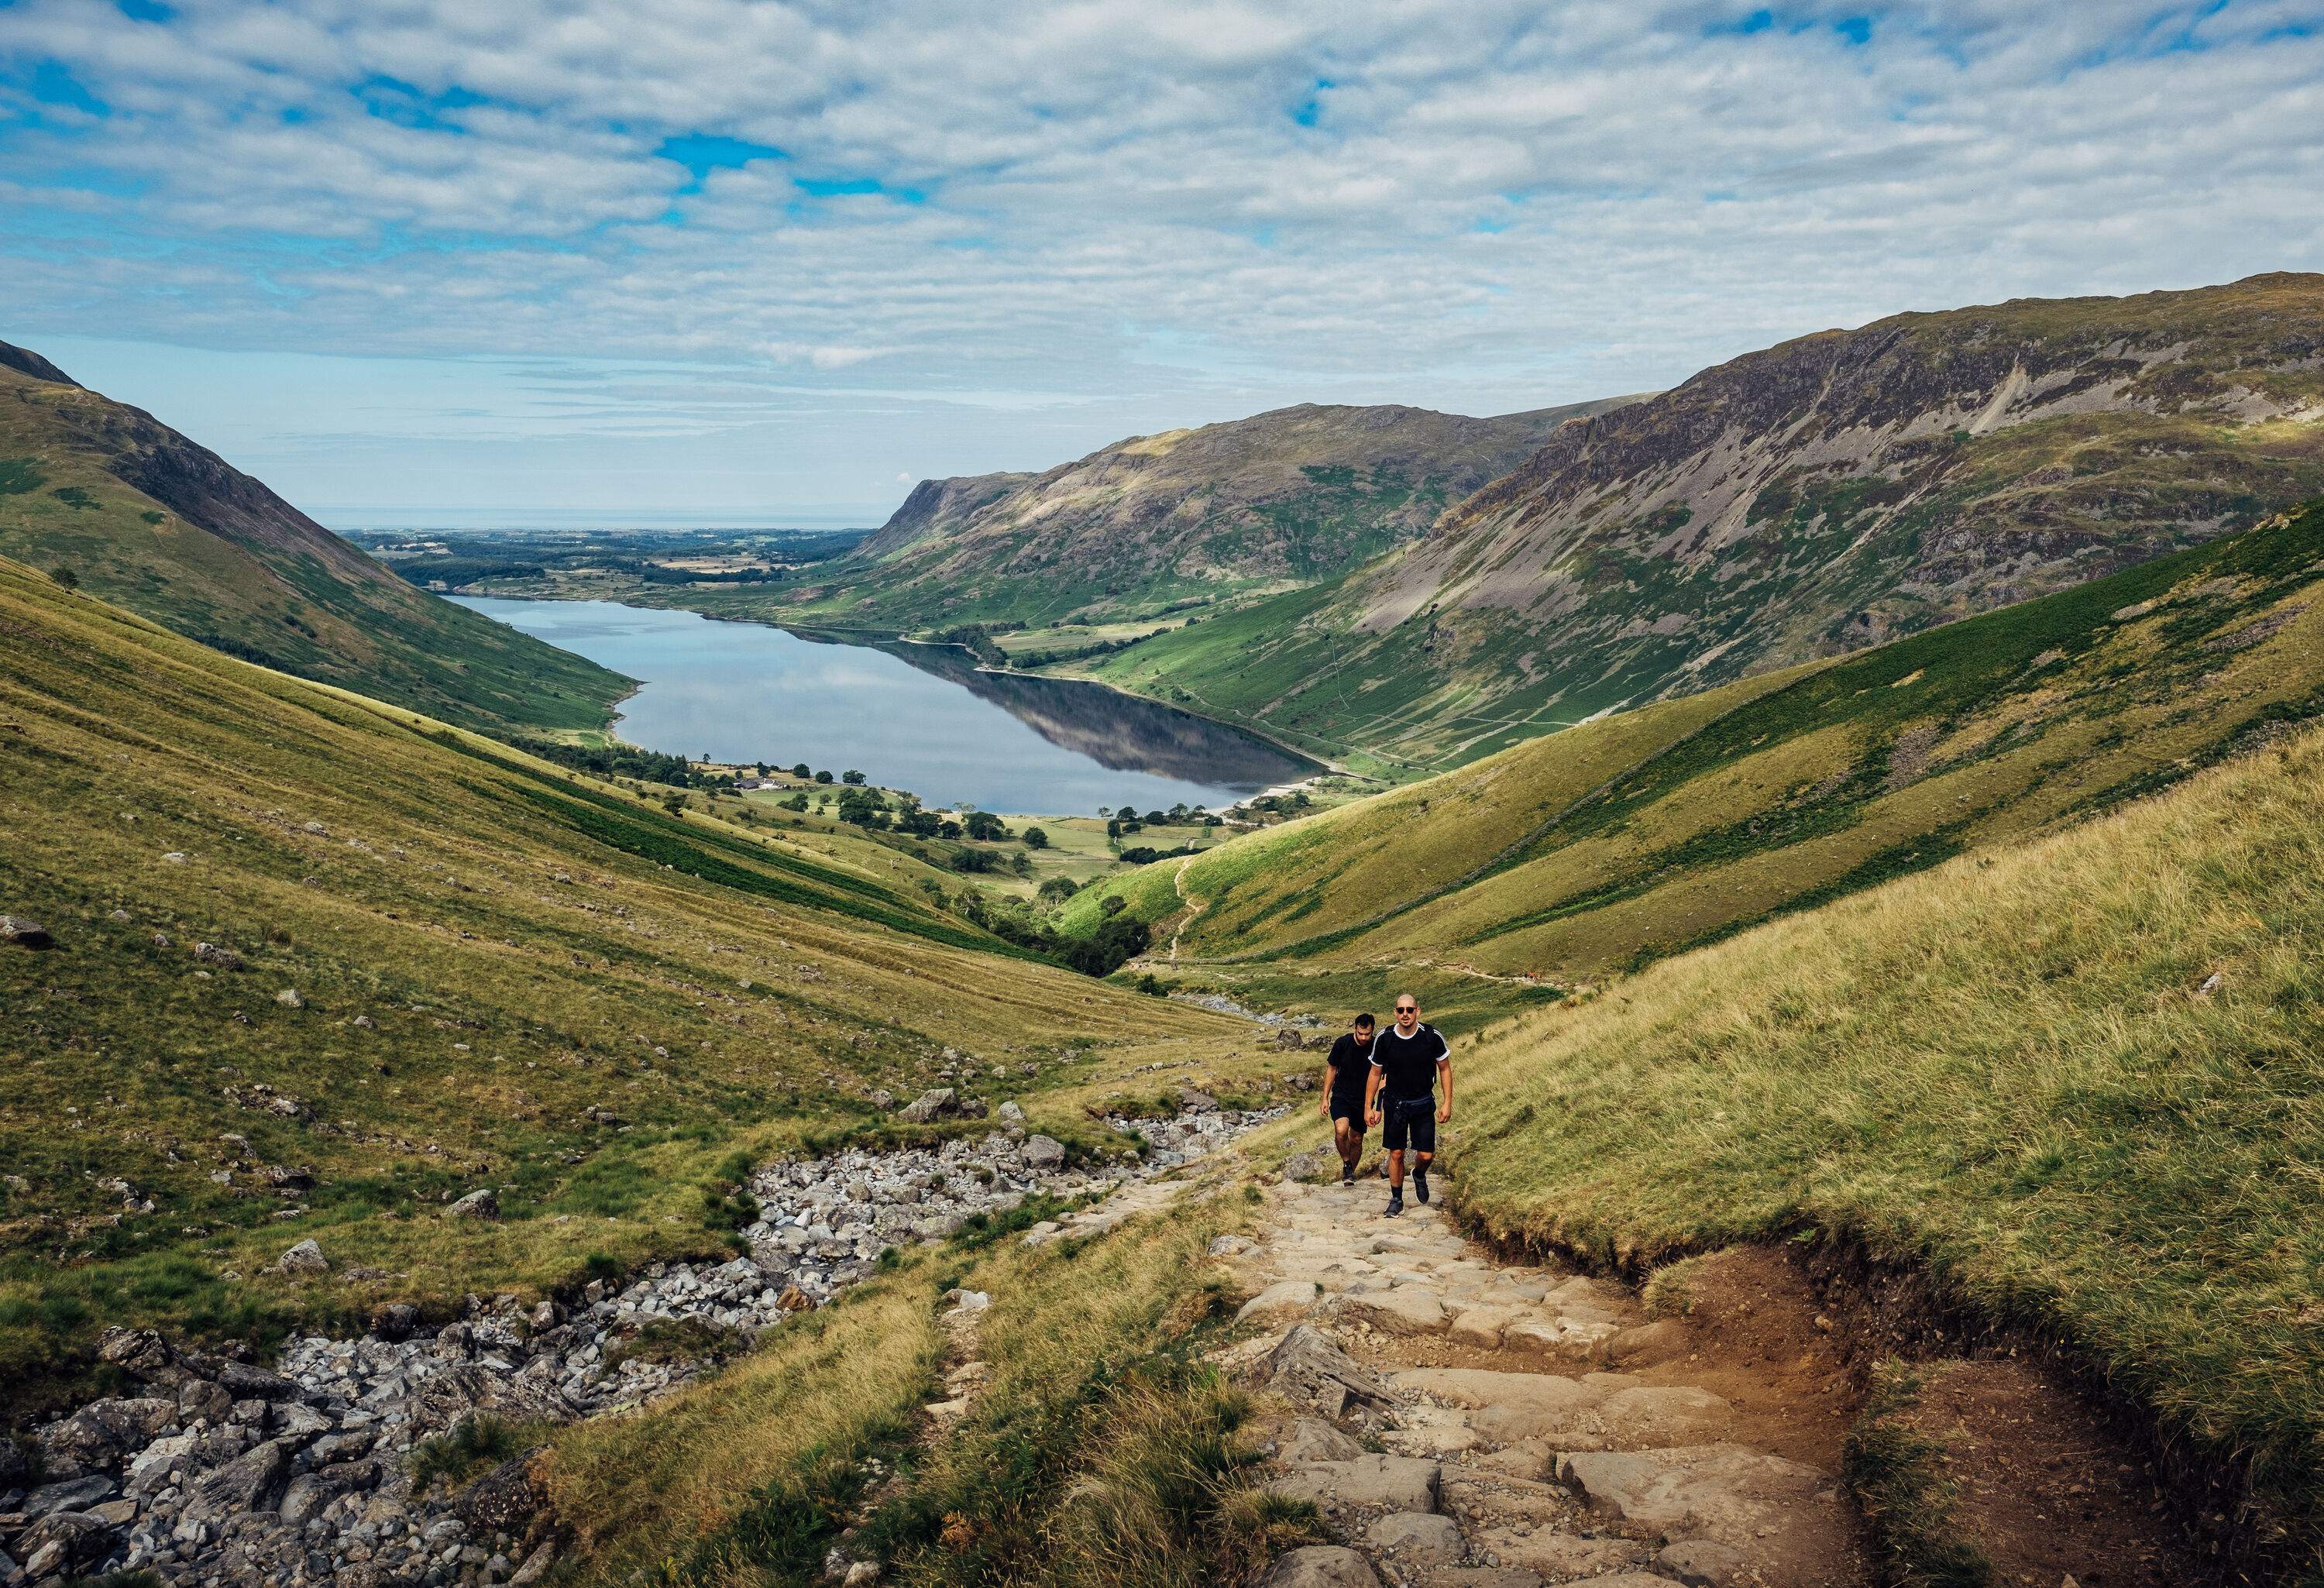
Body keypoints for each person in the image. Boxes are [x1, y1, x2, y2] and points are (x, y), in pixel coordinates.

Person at [1363, 993, 1452, 1218]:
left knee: (1426, 1155)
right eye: (1401, 1010)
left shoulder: (1431, 1036)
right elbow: (1375, 1073)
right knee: (1396, 1153)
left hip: (1423, 1102)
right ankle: (1396, 1199)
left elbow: (1444, 1069)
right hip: (1395, 1103)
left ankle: (1419, 1174)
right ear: (1395, 1012)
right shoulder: (1385, 1038)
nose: (1405, 1014)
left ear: (1417, 1012)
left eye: (1409, 1010)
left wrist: (1447, 1102)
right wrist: (1369, 1106)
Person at [1318, 1012, 1377, 1187]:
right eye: (1361, 1033)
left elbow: (1382, 1076)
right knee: (1341, 1130)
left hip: (1364, 1099)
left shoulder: (1376, 1046)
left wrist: (1376, 1105)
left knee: (1357, 1138)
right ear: (1355, 1029)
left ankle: (1350, 1174)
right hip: (1342, 1095)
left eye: (1368, 1034)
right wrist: (1325, 1098)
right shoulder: (1342, 1043)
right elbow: (1331, 1069)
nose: (1364, 1037)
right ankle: (1346, 1162)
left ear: (1372, 1031)